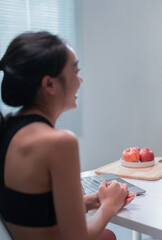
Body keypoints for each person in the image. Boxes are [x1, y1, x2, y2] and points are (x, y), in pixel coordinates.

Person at [0, 31, 136, 240]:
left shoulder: (9, 130)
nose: (80, 80)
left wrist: (90, 201)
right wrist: (110, 205)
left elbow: (31, 211)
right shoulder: (59, 142)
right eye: (75, 70)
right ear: (49, 84)